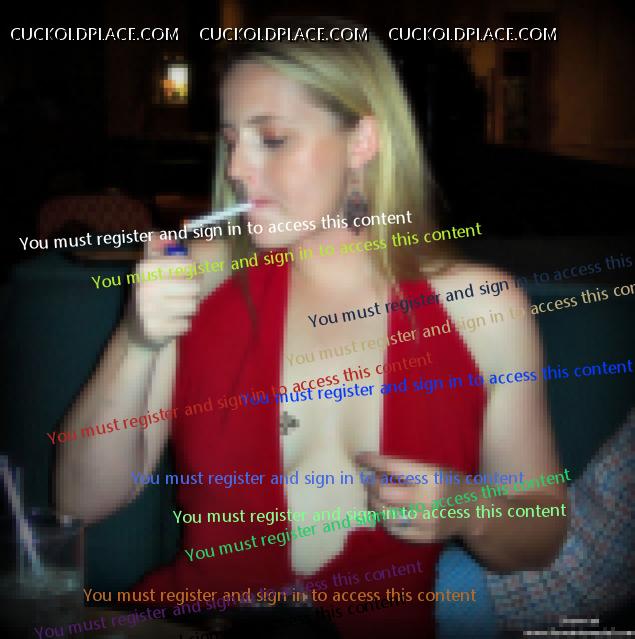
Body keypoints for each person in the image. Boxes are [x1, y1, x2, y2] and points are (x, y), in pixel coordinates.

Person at [56, 18, 567, 639]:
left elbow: (542, 534)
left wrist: (469, 512)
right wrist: (137, 339)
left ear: (362, 142)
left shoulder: (480, 306)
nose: (238, 168)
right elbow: (79, 501)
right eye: (230, 141)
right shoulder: (204, 276)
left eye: (272, 139)